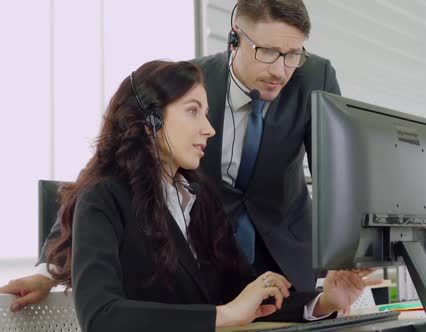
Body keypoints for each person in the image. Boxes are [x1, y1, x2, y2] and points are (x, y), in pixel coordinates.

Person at [1, 0, 342, 309]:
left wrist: (346, 257)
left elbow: (337, 178)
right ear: (234, 38)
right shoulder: (187, 84)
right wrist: (50, 270)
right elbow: (106, 167)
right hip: (201, 262)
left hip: (280, 252)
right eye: (268, 51)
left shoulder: (313, 76)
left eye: (293, 54)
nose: (281, 70)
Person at [31, 60, 375, 331]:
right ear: (150, 121)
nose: (209, 128)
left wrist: (323, 302)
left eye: (207, 113)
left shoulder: (198, 198)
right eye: (193, 110)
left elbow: (246, 293)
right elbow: (102, 317)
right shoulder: (103, 197)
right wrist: (223, 316)